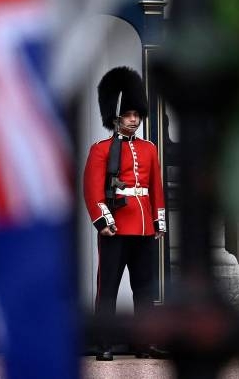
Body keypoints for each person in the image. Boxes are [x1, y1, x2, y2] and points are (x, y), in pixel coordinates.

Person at [83, 66, 167, 361]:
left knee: (144, 290)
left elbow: (156, 188)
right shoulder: (101, 150)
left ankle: (144, 342)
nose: (134, 119)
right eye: (129, 114)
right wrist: (103, 221)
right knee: (108, 288)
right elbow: (92, 190)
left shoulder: (149, 149)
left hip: (144, 228)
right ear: (116, 116)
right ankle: (103, 342)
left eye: (137, 114)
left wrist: (159, 222)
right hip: (116, 228)